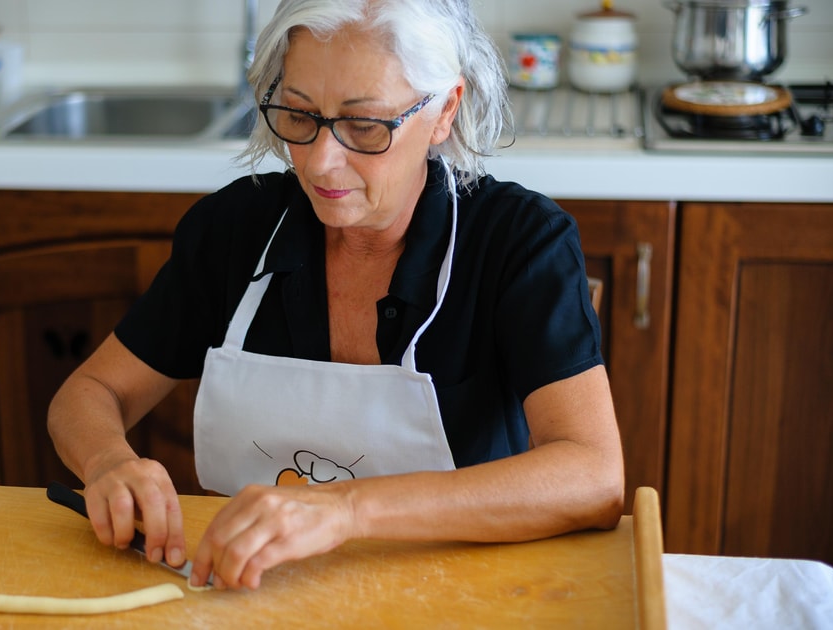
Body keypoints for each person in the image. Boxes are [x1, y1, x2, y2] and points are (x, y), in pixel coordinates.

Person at [48, 0, 624, 591]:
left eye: (365, 126)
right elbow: (88, 393)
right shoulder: (235, 230)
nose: (321, 162)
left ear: (445, 109)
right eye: (298, 115)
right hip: (239, 592)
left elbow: (592, 476)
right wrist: (108, 463)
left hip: (456, 595)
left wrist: (345, 509)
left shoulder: (516, 242)